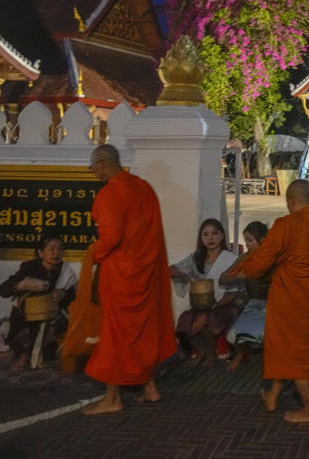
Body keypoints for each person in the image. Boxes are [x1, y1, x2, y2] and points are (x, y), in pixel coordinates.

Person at [230, 179, 309, 423]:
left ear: (290, 202)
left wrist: (236, 272)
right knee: (284, 351)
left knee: (296, 355)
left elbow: (260, 262)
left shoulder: (286, 225)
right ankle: (273, 395)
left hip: (293, 303)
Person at [82, 144, 177, 414]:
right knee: (141, 332)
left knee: (117, 335)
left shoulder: (110, 193)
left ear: (102, 163)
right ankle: (149, 387)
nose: (94, 174)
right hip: (145, 273)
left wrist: (93, 255)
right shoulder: (144, 188)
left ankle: (112, 399)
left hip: (121, 275)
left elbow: (110, 238)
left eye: (93, 168)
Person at [170, 219, 241, 367]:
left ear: (222, 236)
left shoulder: (231, 259)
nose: (210, 238)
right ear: (201, 238)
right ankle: (201, 350)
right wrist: (185, 275)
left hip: (227, 305)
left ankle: (211, 356)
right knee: (184, 319)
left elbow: (235, 292)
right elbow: (169, 270)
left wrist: (216, 305)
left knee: (207, 318)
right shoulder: (196, 259)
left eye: (215, 233)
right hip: (202, 305)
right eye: (205, 234)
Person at [0, 235, 77, 370]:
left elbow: (73, 297)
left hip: (52, 315)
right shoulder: (29, 267)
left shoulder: (65, 271)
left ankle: (38, 353)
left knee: (59, 322)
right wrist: (22, 285)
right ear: (41, 253)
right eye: (51, 249)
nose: (56, 253)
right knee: (24, 321)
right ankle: (24, 355)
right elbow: (4, 290)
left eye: (60, 249)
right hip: (27, 315)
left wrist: (63, 293)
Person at [221, 221, 270, 371]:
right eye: (246, 240)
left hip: (274, 303)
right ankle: (240, 355)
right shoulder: (246, 258)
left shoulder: (273, 257)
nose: (247, 244)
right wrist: (240, 275)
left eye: (250, 240)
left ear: (263, 240)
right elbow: (223, 278)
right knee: (237, 332)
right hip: (253, 303)